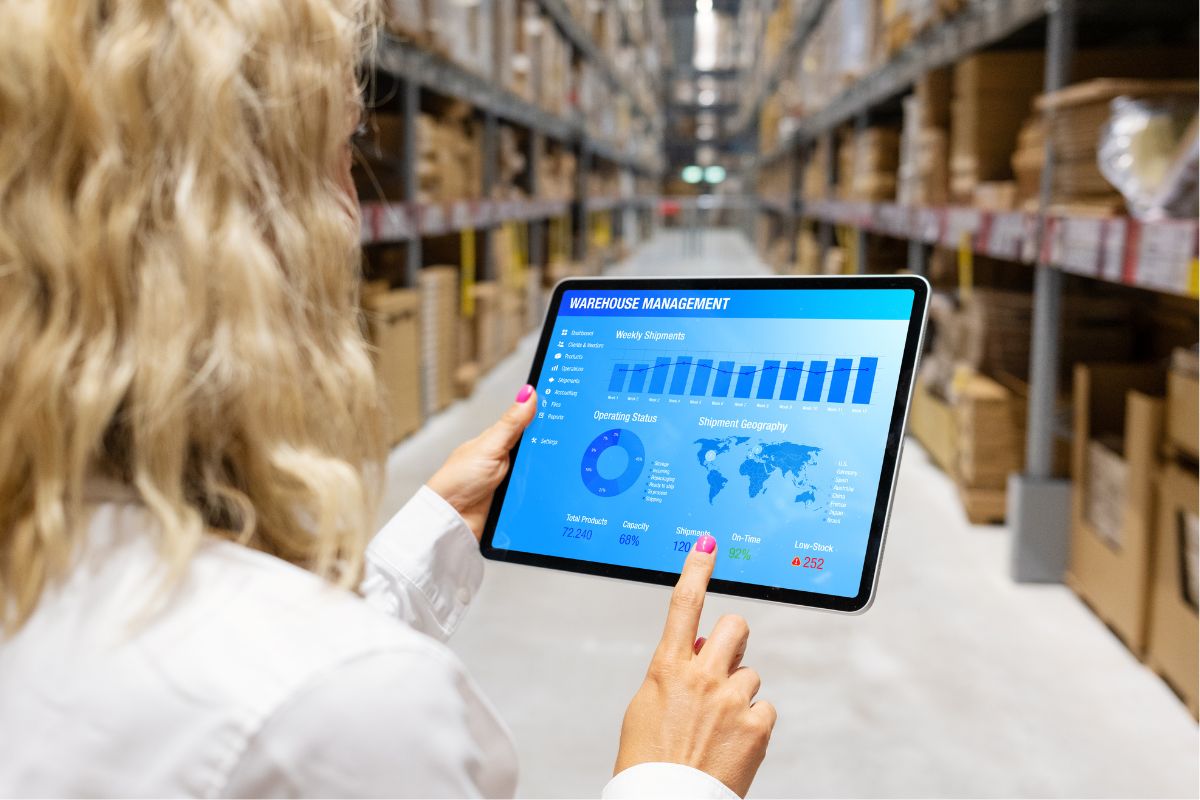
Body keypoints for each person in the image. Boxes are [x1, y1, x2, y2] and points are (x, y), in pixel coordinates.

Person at [0, 1, 775, 797]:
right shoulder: (347, 710)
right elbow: (303, 688)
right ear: (242, 233)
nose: (356, 207)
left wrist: (439, 527)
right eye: (345, 151)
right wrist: (676, 777)